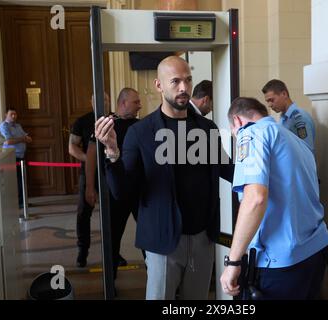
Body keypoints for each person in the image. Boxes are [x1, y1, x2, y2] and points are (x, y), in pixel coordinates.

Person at [94, 56, 233, 300]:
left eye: (188, 80)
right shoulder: (141, 132)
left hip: (203, 238)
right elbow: (122, 191)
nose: (184, 88)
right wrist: (112, 153)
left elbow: (227, 170)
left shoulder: (206, 128)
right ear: (159, 85)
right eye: (176, 81)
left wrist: (263, 168)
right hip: (163, 240)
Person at [220, 97, 328, 300]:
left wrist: (233, 262)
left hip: (280, 263)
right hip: (314, 253)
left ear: (236, 121)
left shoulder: (251, 133)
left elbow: (254, 199)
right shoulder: (294, 140)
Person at [85, 88, 142, 277]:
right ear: (124, 102)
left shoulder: (142, 126)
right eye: (136, 102)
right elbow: (91, 156)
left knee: (147, 234)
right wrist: (90, 187)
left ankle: (157, 277)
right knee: (112, 237)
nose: (140, 105)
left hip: (138, 191)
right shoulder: (106, 125)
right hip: (114, 191)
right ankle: (110, 281)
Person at [69, 93, 110, 268]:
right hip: (88, 173)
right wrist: (89, 159)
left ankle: (114, 253)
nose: (102, 103)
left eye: (105, 100)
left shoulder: (114, 119)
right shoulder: (83, 121)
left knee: (113, 215)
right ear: (92, 102)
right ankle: (82, 251)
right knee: (84, 212)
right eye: (98, 100)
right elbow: (72, 147)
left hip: (110, 173)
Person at [262, 79, 316, 154]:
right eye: (267, 101)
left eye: (271, 100)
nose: (269, 105)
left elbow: (306, 151)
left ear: (284, 94)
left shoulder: (299, 118)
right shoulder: (284, 118)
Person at [0, 108, 33, 209]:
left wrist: (25, 138)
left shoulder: (18, 126)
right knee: (16, 181)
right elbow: (8, 141)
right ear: (6, 114)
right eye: (11, 114)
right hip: (12, 157)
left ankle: (23, 201)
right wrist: (22, 139)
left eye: (15, 114)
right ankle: (18, 203)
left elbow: (27, 137)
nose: (14, 116)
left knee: (22, 179)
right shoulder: (4, 126)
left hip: (21, 156)